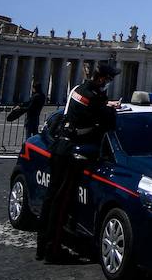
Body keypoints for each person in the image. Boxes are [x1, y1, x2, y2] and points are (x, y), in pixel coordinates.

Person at [38, 60, 120, 263]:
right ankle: (53, 251)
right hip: (72, 153)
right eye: (108, 80)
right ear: (101, 78)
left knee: (51, 200)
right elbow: (108, 122)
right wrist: (109, 108)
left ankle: (43, 246)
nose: (108, 83)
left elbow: (87, 107)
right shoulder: (95, 96)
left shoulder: (79, 90)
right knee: (61, 201)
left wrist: (104, 104)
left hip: (60, 148)